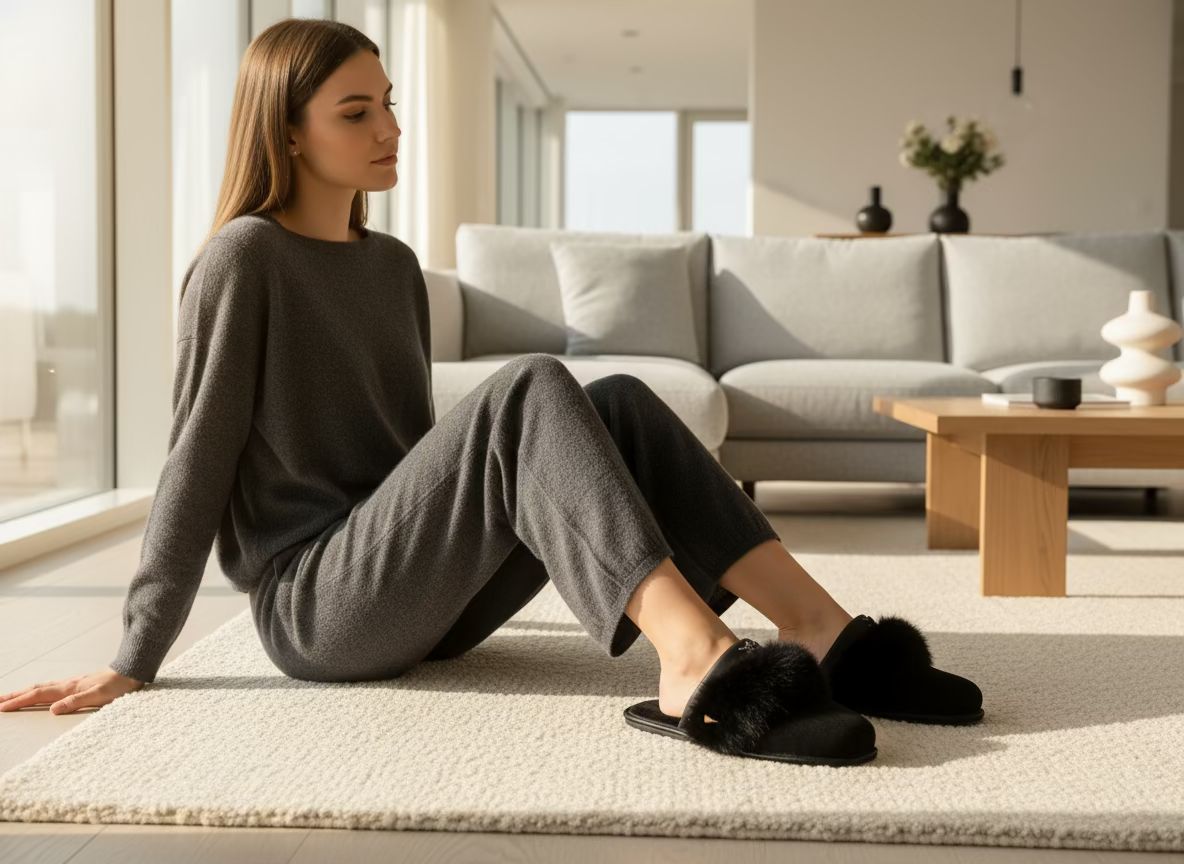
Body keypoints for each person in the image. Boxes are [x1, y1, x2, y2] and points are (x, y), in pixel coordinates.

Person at [0, 20, 979, 762]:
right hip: (317, 608)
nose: (388, 128)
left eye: (387, 104)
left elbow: (421, 465)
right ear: (287, 134)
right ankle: (692, 662)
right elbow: (193, 463)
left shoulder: (389, 266)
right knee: (529, 387)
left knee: (625, 403)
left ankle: (820, 631)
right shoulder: (242, 260)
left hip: (422, 595)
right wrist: (135, 653)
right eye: (355, 113)